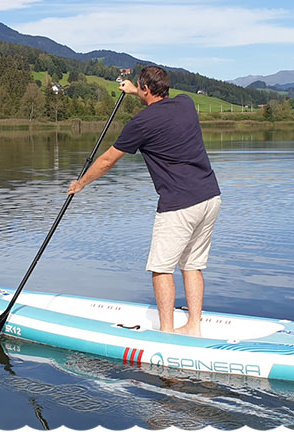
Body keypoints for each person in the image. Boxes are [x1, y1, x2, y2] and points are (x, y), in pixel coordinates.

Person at [67, 66, 221, 337]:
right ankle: (194, 325)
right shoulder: (186, 103)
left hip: (179, 204)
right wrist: (133, 90)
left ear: (147, 89)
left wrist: (80, 184)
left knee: (161, 269)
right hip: (209, 197)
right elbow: (156, 99)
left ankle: (166, 334)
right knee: (192, 264)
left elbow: (107, 161)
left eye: (140, 87)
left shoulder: (141, 123)